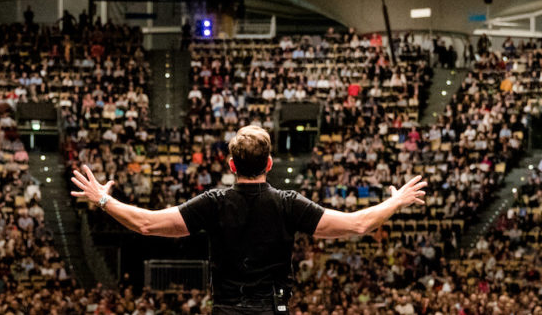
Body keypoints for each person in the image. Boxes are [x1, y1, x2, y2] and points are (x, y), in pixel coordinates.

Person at [71, 125, 428, 314]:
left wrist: (102, 198)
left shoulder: (214, 203)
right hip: (274, 308)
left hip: (226, 309)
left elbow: (146, 223)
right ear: (270, 164)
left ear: (231, 166)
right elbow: (358, 224)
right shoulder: (289, 204)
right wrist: (395, 201)